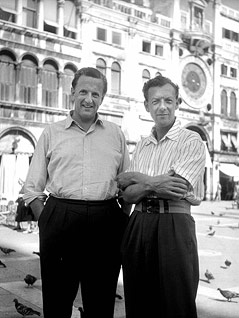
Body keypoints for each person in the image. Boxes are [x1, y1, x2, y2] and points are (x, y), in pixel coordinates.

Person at [23, 67, 130, 318]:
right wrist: (47, 220)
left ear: (102, 99)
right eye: (83, 91)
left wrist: (122, 217)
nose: (88, 99)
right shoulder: (51, 132)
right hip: (60, 218)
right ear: (72, 92)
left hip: (106, 221)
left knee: (101, 304)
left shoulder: (116, 134)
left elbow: (127, 182)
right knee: (57, 302)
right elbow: (31, 187)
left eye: (96, 94)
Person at [116, 75, 206, 318]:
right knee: (138, 302)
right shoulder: (143, 145)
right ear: (147, 106)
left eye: (168, 100)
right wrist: (155, 182)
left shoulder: (191, 140)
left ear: (178, 103)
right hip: (139, 224)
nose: (162, 106)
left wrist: (138, 178)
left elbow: (176, 187)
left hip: (173, 225)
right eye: (155, 101)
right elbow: (127, 195)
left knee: (176, 304)